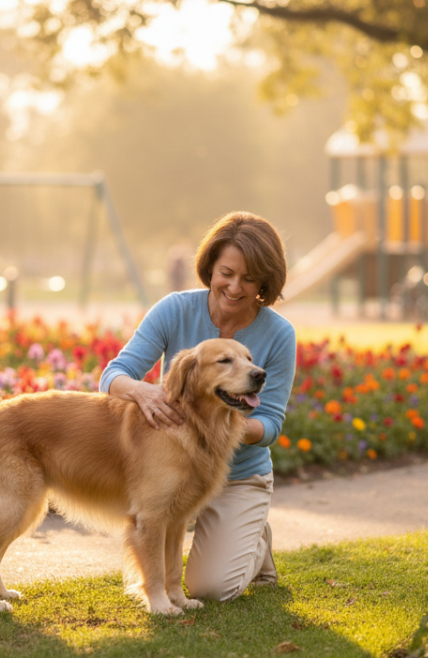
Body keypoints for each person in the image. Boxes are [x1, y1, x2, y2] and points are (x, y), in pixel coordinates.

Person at [99, 211, 296, 601]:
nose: (235, 287)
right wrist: (144, 392)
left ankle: (252, 536)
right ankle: (235, 538)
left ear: (265, 281)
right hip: (173, 465)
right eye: (227, 272)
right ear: (211, 267)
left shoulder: (279, 334)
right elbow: (114, 375)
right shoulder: (174, 309)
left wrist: (224, 425)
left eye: (249, 277)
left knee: (211, 588)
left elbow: (271, 422)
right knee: (159, 521)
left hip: (237, 474)